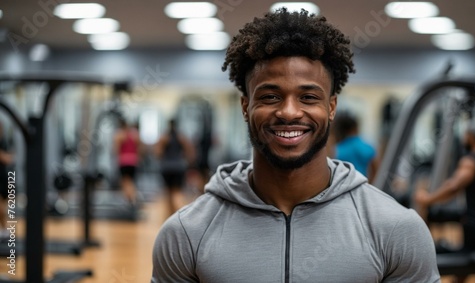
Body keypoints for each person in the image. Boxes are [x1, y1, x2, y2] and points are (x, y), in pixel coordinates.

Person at [152, 8, 440, 282]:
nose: (289, 112)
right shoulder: (187, 232)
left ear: (331, 107)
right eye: (270, 97)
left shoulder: (396, 229)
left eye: (308, 97)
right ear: (245, 106)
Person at [415, 117, 475, 253]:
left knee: (464, 256)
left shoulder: (470, 162)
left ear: (471, 136)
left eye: (466, 134)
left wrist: (428, 199)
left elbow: (454, 186)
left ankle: (428, 253)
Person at [154, 119, 196, 217]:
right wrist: (186, 161)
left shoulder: (164, 137)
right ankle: (177, 216)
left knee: (169, 193)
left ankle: (172, 216)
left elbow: (158, 153)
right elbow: (190, 153)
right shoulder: (181, 137)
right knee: (176, 192)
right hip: (178, 167)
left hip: (167, 167)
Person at [331, 110, 378, 183]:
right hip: (363, 185)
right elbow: (376, 170)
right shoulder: (367, 147)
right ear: (355, 128)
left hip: (343, 187)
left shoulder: (337, 149)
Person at [113, 117, 141, 207]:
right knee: (130, 181)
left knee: (125, 181)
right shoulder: (135, 134)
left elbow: (116, 150)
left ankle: (132, 199)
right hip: (133, 161)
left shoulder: (119, 135)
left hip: (124, 161)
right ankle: (131, 199)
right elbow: (140, 148)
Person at [0, 122, 14, 240]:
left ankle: (4, 229)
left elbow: (9, 159)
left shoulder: (4, 142)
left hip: (3, 178)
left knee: (2, 207)